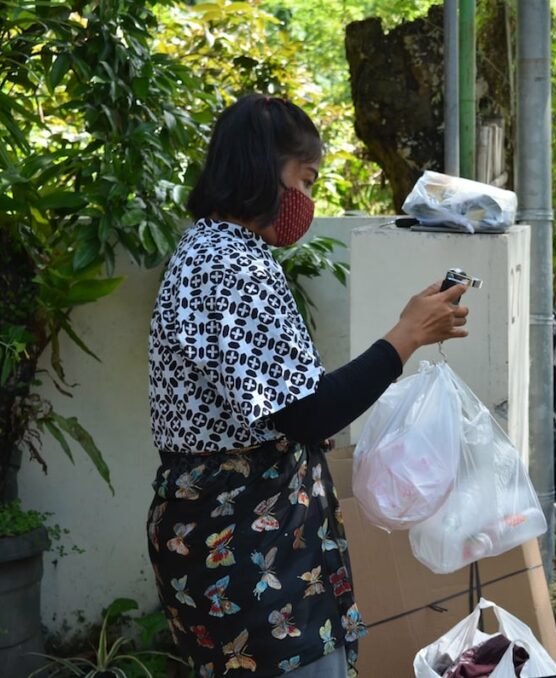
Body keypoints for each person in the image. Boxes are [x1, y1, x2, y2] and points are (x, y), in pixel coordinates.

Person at [145, 94, 470, 677]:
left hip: (236, 544)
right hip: (247, 555)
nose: (307, 199)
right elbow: (307, 413)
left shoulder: (210, 251)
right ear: (262, 169)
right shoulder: (231, 267)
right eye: (305, 177)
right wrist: (407, 335)